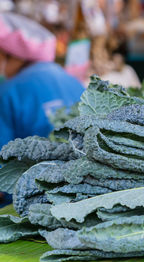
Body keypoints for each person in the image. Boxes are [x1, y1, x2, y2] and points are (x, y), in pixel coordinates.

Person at [0, 12, 85, 206]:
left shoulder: (7, 93)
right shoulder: (74, 81)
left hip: (24, 206)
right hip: (76, 198)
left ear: (10, 54)